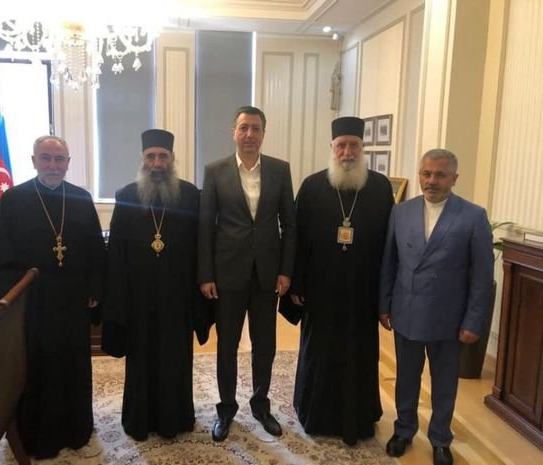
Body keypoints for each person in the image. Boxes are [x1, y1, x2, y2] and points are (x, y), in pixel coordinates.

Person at [0, 135, 107, 459]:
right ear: (34, 161)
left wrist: (95, 288)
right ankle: (35, 435)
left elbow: (95, 250)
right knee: (34, 367)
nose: (53, 166)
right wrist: (8, 302)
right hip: (31, 305)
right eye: (46, 158)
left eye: (59, 159)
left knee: (73, 364)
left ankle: (76, 428)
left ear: (68, 163)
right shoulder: (13, 201)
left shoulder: (80, 199)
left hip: (72, 301)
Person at [280, 116, 394, 445]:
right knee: (319, 351)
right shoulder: (312, 186)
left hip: (362, 290)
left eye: (354, 145)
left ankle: (357, 417)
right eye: (341, 145)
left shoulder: (380, 187)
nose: (347, 152)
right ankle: (315, 412)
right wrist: (297, 283)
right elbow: (296, 238)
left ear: (362, 148)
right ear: (331, 147)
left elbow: (390, 244)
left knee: (360, 352)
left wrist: (385, 294)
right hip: (320, 290)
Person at [379, 149, 494, 465]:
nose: (431, 181)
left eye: (440, 175)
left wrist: (474, 321)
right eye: (425, 173)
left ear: (454, 178)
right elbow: (390, 262)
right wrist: (384, 304)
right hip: (406, 311)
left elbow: (482, 276)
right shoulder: (401, 212)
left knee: (444, 383)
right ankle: (404, 430)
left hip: (449, 318)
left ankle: (441, 439)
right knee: (406, 377)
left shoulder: (473, 216)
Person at [102, 129, 209, 441]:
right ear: (142, 158)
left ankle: (176, 418)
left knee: (176, 358)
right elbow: (116, 248)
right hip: (139, 296)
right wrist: (118, 295)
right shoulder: (126, 195)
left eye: (163, 156)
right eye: (151, 156)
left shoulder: (190, 195)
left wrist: (200, 288)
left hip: (178, 295)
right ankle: (140, 418)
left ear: (172, 159)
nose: (157, 163)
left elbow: (201, 244)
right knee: (141, 358)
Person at [198, 106, 296, 442]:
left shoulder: (280, 170)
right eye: (244, 128)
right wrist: (206, 274)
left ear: (263, 133)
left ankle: (261, 405)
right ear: (234, 132)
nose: (249, 134)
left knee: (264, 344)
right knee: (226, 345)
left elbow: (290, 225)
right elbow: (205, 226)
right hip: (227, 273)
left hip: (267, 274)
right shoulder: (215, 171)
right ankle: (226, 409)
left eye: (255, 128)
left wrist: (286, 270)